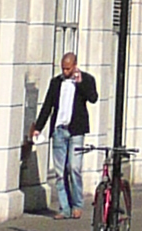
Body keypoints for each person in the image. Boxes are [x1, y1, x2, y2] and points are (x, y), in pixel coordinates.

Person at [30, 47, 98, 216]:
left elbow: (93, 98)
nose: (65, 71)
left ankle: (77, 205)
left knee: (73, 168)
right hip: (59, 130)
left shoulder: (87, 80)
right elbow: (48, 106)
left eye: (68, 68)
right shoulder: (56, 82)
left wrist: (80, 83)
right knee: (60, 173)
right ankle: (64, 208)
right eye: (63, 68)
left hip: (76, 130)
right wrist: (38, 128)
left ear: (75, 66)